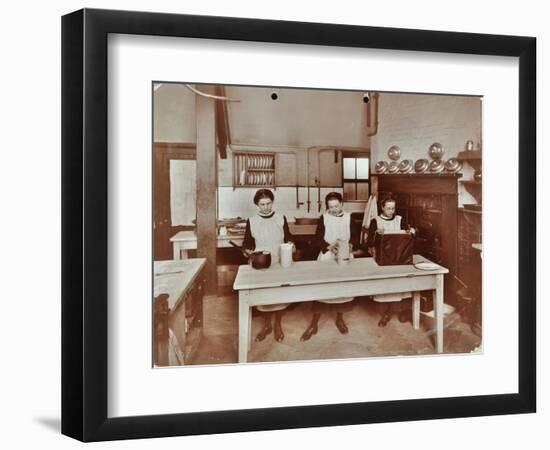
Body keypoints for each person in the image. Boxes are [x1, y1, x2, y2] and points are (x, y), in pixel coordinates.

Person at [300, 192, 362, 341]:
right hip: (327, 256)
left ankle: (340, 319)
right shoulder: (324, 218)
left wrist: (348, 246)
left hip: (345, 256)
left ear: (342, 204)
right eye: (330, 206)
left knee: (342, 290)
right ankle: (314, 323)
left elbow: (354, 237)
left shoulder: (349, 217)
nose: (333, 209)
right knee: (321, 290)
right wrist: (329, 247)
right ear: (327, 206)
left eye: (336, 206)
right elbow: (318, 238)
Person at [242, 189, 293, 342]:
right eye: (262, 204)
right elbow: (247, 243)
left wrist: (291, 244)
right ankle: (267, 325)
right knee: (264, 296)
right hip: (261, 262)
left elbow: (289, 238)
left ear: (273, 202)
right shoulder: (252, 220)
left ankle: (277, 324)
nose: (266, 207)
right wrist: (247, 251)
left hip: (278, 260)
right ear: (257, 205)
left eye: (268, 203)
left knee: (278, 295)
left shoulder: (280, 218)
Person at [366, 196, 416, 326]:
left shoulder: (400, 219)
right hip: (384, 259)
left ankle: (403, 310)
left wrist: (411, 231)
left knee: (401, 286)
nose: (391, 211)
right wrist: (377, 233)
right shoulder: (375, 221)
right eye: (388, 208)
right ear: (382, 207)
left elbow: (407, 234)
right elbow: (369, 242)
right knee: (387, 286)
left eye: (393, 208)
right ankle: (387, 313)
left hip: (399, 257)